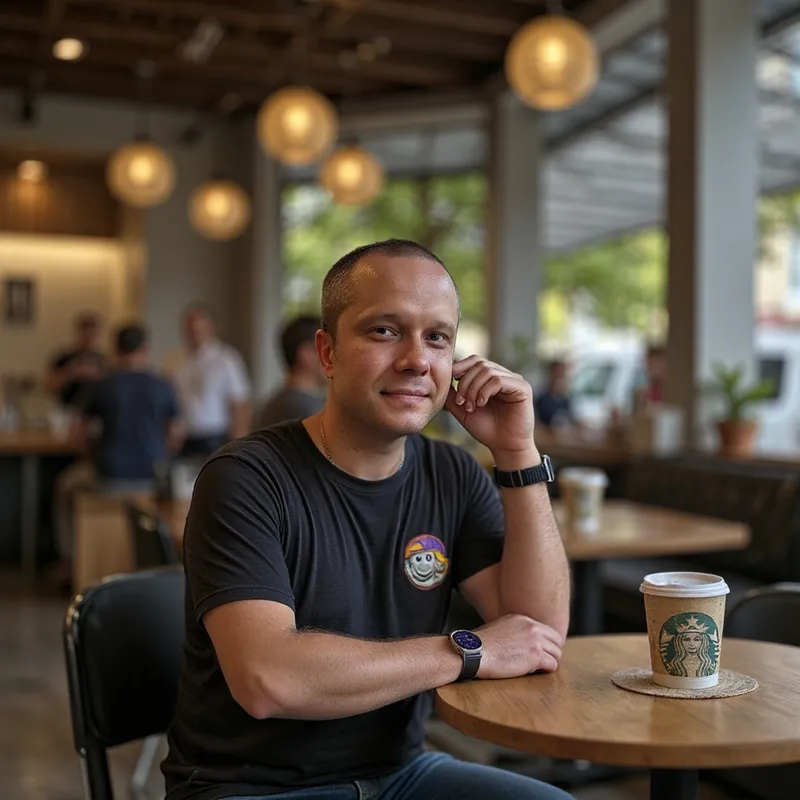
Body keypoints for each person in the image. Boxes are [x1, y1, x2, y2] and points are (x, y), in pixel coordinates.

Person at [162, 239, 572, 800]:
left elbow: (536, 634)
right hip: (250, 788)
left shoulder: (452, 474)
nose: (416, 359)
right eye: (384, 330)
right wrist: (467, 650)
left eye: (437, 337)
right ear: (326, 354)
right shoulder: (244, 477)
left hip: (401, 773)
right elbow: (268, 680)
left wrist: (518, 455)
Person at [53, 323, 182, 570]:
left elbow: (76, 435)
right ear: (146, 349)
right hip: (152, 476)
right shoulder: (163, 385)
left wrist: (90, 454)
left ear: (115, 349)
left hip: (111, 477)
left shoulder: (102, 385)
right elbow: (176, 433)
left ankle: (68, 559)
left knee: (65, 484)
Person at [171, 303, 252, 458]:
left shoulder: (227, 359)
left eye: (199, 329)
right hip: (184, 439)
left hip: (216, 437)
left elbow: (240, 403)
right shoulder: (175, 360)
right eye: (190, 329)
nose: (194, 333)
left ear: (210, 328)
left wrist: (238, 446)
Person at [258, 315, 326, 428]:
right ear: (306, 354)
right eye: (326, 349)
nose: (332, 357)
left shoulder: (280, 404)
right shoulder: (296, 409)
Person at [45, 312, 107, 408]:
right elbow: (49, 386)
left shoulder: (104, 360)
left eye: (92, 335)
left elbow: (111, 387)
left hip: (96, 410)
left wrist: (97, 375)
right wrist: (71, 373)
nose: (88, 339)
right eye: (85, 334)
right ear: (79, 333)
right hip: (68, 409)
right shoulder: (64, 357)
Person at [534, 360, 575, 430]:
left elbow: (571, 420)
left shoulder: (566, 401)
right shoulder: (542, 400)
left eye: (562, 374)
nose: (559, 378)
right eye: (557, 374)